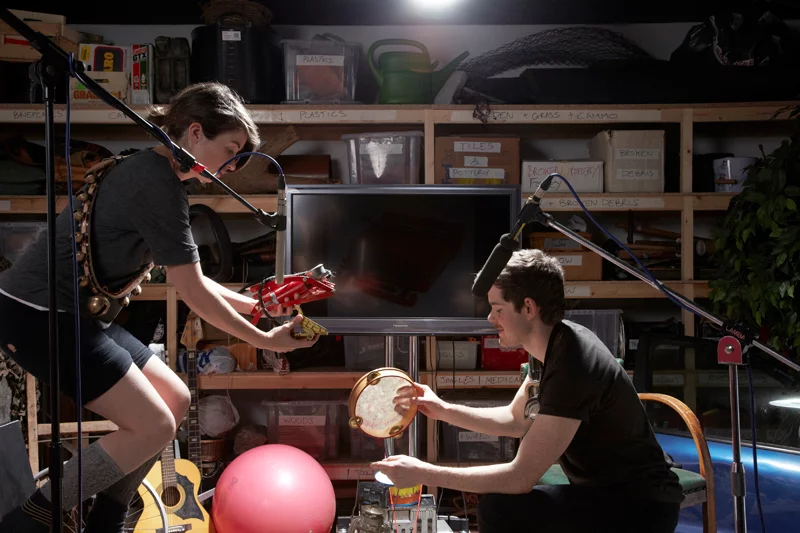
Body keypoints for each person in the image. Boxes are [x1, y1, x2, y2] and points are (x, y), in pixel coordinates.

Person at [0, 82, 317, 532]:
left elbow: (193, 276)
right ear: (192, 133)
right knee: (152, 425)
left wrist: (254, 304)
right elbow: (191, 291)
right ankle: (29, 519)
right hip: (37, 315)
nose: (231, 164)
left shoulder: (153, 172)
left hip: (75, 314)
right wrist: (264, 339)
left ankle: (109, 519)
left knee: (175, 397)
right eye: (229, 148)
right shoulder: (156, 184)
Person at [375, 249, 684, 533]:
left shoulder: (573, 361)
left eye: (497, 308)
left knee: (500, 509)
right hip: (603, 494)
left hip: (638, 508)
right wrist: (441, 409)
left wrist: (424, 473)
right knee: (502, 507)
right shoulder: (549, 348)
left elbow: (519, 478)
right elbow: (515, 420)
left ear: (528, 308)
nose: (490, 318)